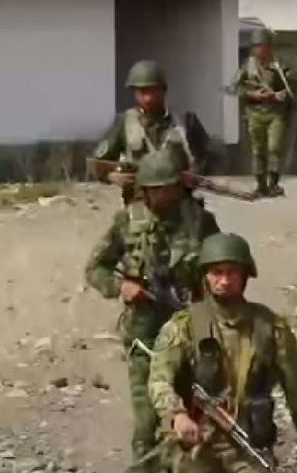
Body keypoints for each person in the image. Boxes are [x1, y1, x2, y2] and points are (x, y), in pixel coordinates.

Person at [148, 232, 297, 472]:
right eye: (217, 272)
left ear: (245, 276)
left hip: (249, 447)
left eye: (232, 272)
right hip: (196, 446)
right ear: (205, 276)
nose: (224, 281)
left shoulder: (270, 328)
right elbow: (159, 379)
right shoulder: (184, 326)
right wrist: (177, 414)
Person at [85, 150, 220, 471]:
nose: (164, 196)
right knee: (147, 421)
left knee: (195, 411)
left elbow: (221, 268)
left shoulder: (200, 221)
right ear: (144, 190)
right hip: (144, 334)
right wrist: (122, 287)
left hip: (191, 328)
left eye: (169, 187)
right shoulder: (127, 222)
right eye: (156, 189)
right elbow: (95, 268)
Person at [93, 59, 211, 204]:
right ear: (134, 93)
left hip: (181, 202)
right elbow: (98, 164)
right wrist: (112, 176)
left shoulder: (186, 121)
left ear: (163, 90)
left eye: (153, 91)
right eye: (142, 92)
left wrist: (195, 174)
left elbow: (209, 158)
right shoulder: (125, 123)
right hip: (140, 202)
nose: (148, 98)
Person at [233, 28, 292, 197]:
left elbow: (289, 88)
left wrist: (279, 94)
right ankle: (261, 185)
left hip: (275, 112)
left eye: (264, 45)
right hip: (255, 113)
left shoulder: (279, 65)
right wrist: (254, 95)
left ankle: (273, 183)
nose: (261, 49)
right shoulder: (247, 66)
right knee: (258, 150)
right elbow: (237, 89)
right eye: (257, 46)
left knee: (274, 148)